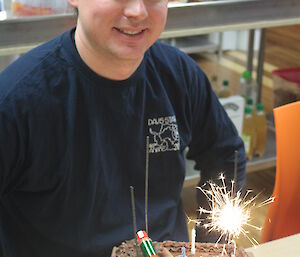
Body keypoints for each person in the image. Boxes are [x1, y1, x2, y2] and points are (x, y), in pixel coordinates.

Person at [0, 0, 246, 256]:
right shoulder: (16, 102)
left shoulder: (180, 75)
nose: (137, 11)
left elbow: (226, 154)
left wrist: (214, 245)